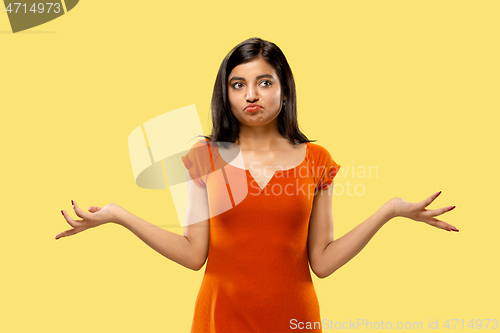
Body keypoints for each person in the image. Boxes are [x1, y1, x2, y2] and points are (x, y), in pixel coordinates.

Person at [56, 37, 458, 333]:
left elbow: (322, 262)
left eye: (265, 82)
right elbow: (195, 253)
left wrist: (389, 210)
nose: (251, 94)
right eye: (238, 84)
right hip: (219, 321)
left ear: (284, 90)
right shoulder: (204, 154)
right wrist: (118, 215)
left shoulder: (318, 161)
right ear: (226, 94)